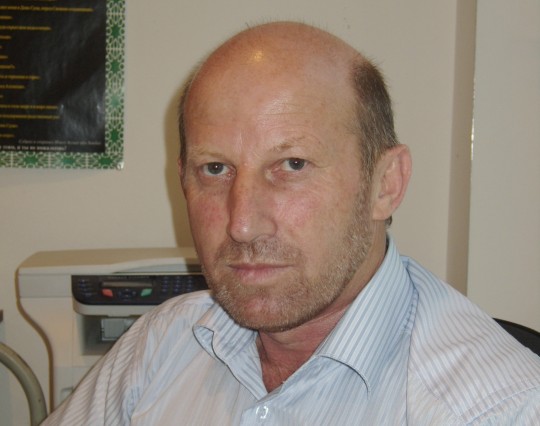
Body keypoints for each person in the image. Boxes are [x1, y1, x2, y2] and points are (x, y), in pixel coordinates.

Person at [44, 21, 539, 425]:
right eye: (214, 169)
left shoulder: (497, 410)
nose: (242, 225)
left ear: (385, 184)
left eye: (292, 165)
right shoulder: (160, 346)